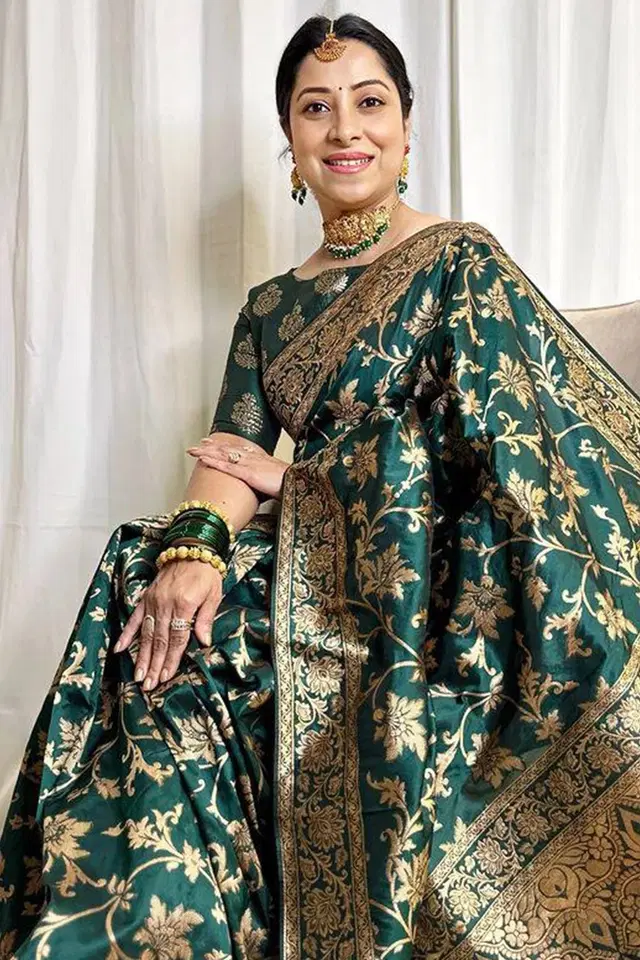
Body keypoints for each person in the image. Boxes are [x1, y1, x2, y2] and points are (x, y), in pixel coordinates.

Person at [1, 12, 639, 960]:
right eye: (316, 108)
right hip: (311, 566)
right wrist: (195, 551)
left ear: (407, 126)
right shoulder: (269, 309)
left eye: (369, 102)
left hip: (446, 575)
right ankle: (146, 929)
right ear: (290, 140)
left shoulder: (462, 259)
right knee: (154, 607)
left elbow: (509, 451)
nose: (346, 129)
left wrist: (307, 481)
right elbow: (229, 456)